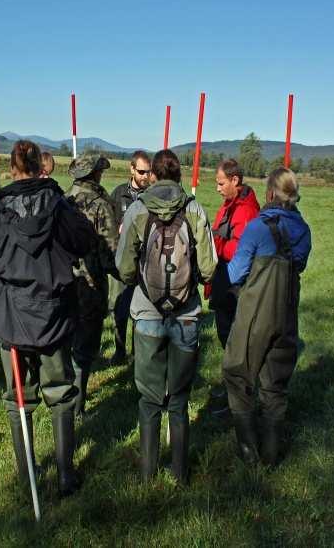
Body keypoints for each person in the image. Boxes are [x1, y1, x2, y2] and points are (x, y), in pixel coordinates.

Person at [0, 140, 96, 497]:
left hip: (15, 314)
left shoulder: (2, 207)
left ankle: (32, 473)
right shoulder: (58, 204)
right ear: (39, 166)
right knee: (60, 393)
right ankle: (64, 475)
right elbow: (84, 240)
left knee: (18, 397)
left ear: (13, 169)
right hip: (50, 312)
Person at [115, 149, 217, 484]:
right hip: (186, 316)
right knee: (179, 398)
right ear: (179, 176)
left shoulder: (138, 209)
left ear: (154, 175)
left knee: (149, 397)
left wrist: (141, 281)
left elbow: (123, 268)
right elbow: (209, 267)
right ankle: (180, 474)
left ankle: (147, 475)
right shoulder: (195, 209)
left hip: (146, 313)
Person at [222, 167, 312, 466]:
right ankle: (272, 457)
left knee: (237, 374)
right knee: (275, 385)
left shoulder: (259, 227)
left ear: (270, 193)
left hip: (255, 314)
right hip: (287, 312)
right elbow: (298, 267)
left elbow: (235, 272)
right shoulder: (304, 230)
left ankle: (249, 454)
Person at [66, 153, 118, 418]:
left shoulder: (63, 200)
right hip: (91, 283)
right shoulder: (100, 204)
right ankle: (77, 406)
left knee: (68, 341)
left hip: (65, 282)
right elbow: (111, 251)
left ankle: (63, 399)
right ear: (94, 174)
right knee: (85, 348)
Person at [209, 158, 261, 348]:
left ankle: (235, 373)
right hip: (224, 279)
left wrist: (214, 246)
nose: (218, 188)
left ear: (235, 180)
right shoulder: (229, 204)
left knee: (232, 336)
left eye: (221, 183)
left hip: (234, 285)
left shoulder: (245, 210)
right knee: (225, 332)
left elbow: (241, 250)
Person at [108, 150, 152, 364]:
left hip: (144, 262)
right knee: (119, 308)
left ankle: (136, 353)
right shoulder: (117, 194)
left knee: (140, 309)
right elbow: (108, 226)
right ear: (132, 169)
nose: (145, 176)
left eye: (148, 172)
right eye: (141, 171)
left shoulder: (152, 196)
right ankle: (119, 351)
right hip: (122, 260)